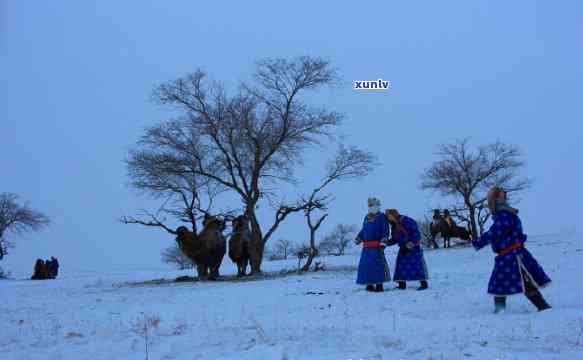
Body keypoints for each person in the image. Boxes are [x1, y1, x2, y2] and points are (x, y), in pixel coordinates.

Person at [472, 186, 551, 313]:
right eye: (502, 193)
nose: (505, 194)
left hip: (512, 254)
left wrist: (478, 242)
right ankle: (500, 310)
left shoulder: (504, 214)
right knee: (499, 281)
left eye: (503, 193)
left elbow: (496, 231)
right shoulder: (505, 213)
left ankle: (542, 306)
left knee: (521, 280)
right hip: (508, 254)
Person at [386, 209, 429, 290]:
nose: (388, 219)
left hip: (414, 248)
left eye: (388, 217)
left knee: (417, 266)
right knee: (400, 267)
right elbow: (395, 239)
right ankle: (402, 285)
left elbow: (416, 235)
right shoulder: (394, 225)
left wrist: (408, 246)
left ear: (392, 215)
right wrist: (387, 243)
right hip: (403, 248)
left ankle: (424, 284)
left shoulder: (408, 221)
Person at [354, 197, 391, 292]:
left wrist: (384, 242)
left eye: (373, 205)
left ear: (378, 206)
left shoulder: (382, 217)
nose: (371, 207)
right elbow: (364, 229)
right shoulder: (367, 217)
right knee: (366, 266)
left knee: (377, 266)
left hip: (376, 246)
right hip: (366, 248)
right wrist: (359, 237)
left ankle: (379, 285)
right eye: (370, 205)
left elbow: (385, 230)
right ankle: (369, 285)